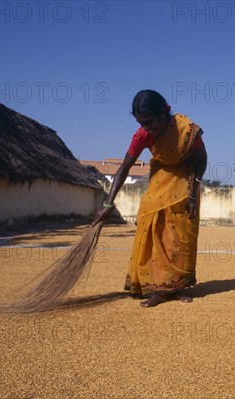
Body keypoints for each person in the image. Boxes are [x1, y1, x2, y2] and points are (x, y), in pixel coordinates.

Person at [93, 89, 207, 308]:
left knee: (180, 236)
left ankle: (176, 286)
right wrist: (108, 203)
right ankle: (158, 289)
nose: (146, 127)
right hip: (158, 184)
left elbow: (201, 159)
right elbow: (124, 168)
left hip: (186, 182)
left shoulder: (187, 130)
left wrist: (194, 192)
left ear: (164, 113)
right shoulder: (142, 135)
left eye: (149, 121)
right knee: (154, 232)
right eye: (140, 122)